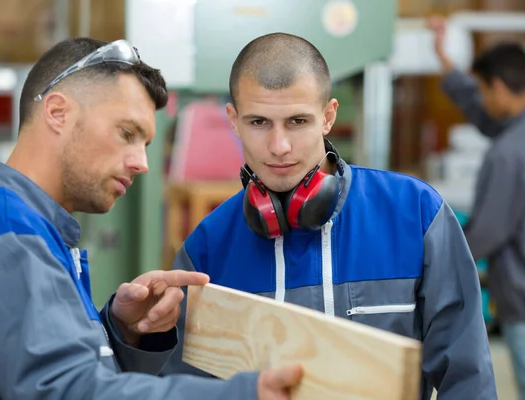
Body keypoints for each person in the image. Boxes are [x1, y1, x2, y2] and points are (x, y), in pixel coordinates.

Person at [159, 32, 497, 399]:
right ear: (234, 120)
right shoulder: (207, 249)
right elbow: (183, 386)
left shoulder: (416, 216)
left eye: (297, 121)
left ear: (328, 116)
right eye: (259, 122)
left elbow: (468, 377)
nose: (279, 146)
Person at [0, 37, 304, 400]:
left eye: (144, 144)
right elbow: (63, 392)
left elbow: (57, 372)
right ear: (57, 113)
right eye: (127, 133)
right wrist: (240, 395)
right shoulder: (8, 230)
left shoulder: (33, 230)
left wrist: (119, 331)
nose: (141, 163)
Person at [428, 16, 525, 400]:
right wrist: (446, 61)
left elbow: (487, 231)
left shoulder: (508, 153)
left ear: (500, 87)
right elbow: (484, 114)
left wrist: (432, 263)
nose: (482, 100)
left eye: (483, 90)